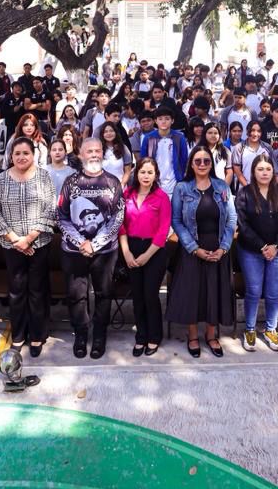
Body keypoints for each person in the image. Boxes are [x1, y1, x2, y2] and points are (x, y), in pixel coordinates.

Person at [0, 136, 58, 357]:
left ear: (33, 155)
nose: (21, 157)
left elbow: (51, 210)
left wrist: (29, 238)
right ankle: (18, 335)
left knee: (37, 292)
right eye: (17, 153)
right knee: (17, 292)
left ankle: (37, 336)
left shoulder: (44, 177)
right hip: (12, 246)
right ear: (11, 156)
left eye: (25, 153)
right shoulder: (1, 179)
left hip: (39, 244)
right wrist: (16, 240)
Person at [166, 145, 237, 358]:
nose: (203, 164)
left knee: (214, 292)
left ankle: (212, 335)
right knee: (193, 293)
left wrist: (224, 247)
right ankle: (193, 335)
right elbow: (176, 221)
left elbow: (232, 218)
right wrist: (194, 248)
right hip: (192, 248)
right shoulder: (182, 188)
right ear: (191, 164)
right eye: (198, 161)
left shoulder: (222, 186)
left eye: (207, 161)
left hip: (218, 247)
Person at [58, 138, 125, 359]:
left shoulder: (113, 182)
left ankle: (99, 335)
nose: (94, 154)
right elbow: (61, 216)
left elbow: (117, 218)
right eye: (90, 151)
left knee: (104, 294)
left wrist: (95, 244)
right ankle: (80, 334)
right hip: (74, 251)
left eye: (98, 151)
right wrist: (81, 243)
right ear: (81, 154)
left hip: (104, 251)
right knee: (77, 295)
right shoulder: (71, 182)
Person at [236, 152, 278, 352]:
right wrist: (262, 246)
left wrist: (275, 246)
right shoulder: (245, 193)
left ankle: (271, 329)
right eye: (260, 169)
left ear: (273, 171)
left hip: (277, 251)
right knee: (253, 290)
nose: (264, 173)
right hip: (251, 251)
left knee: (272, 292)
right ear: (253, 171)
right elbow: (242, 224)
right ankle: (250, 329)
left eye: (268, 169)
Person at [119, 157, 171, 357]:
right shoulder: (127, 194)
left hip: (154, 251)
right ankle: (141, 336)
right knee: (138, 296)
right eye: (142, 172)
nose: (146, 176)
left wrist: (147, 255)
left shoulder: (161, 197)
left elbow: (163, 229)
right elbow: (121, 225)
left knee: (150, 295)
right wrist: (126, 252)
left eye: (150, 172)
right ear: (136, 173)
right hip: (131, 247)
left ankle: (154, 337)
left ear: (156, 175)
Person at [139, 106, 189, 194]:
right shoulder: (148, 138)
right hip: (154, 182)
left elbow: (184, 159)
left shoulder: (179, 137)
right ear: (155, 121)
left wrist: (180, 177)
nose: (163, 121)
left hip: (174, 182)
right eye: (160, 119)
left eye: (167, 119)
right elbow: (143, 160)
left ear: (172, 121)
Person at [229, 120, 273, 188]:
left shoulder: (267, 148)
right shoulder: (239, 148)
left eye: (258, 131)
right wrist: (248, 187)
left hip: (264, 188)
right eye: (252, 130)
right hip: (244, 189)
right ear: (247, 131)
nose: (255, 134)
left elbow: (271, 168)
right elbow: (237, 171)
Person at [98, 120, 133, 185]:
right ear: (102, 134)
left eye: (111, 131)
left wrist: (121, 186)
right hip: (102, 189)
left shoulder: (123, 148)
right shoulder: (98, 149)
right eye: (106, 132)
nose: (109, 133)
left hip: (120, 187)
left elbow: (127, 172)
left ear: (116, 133)